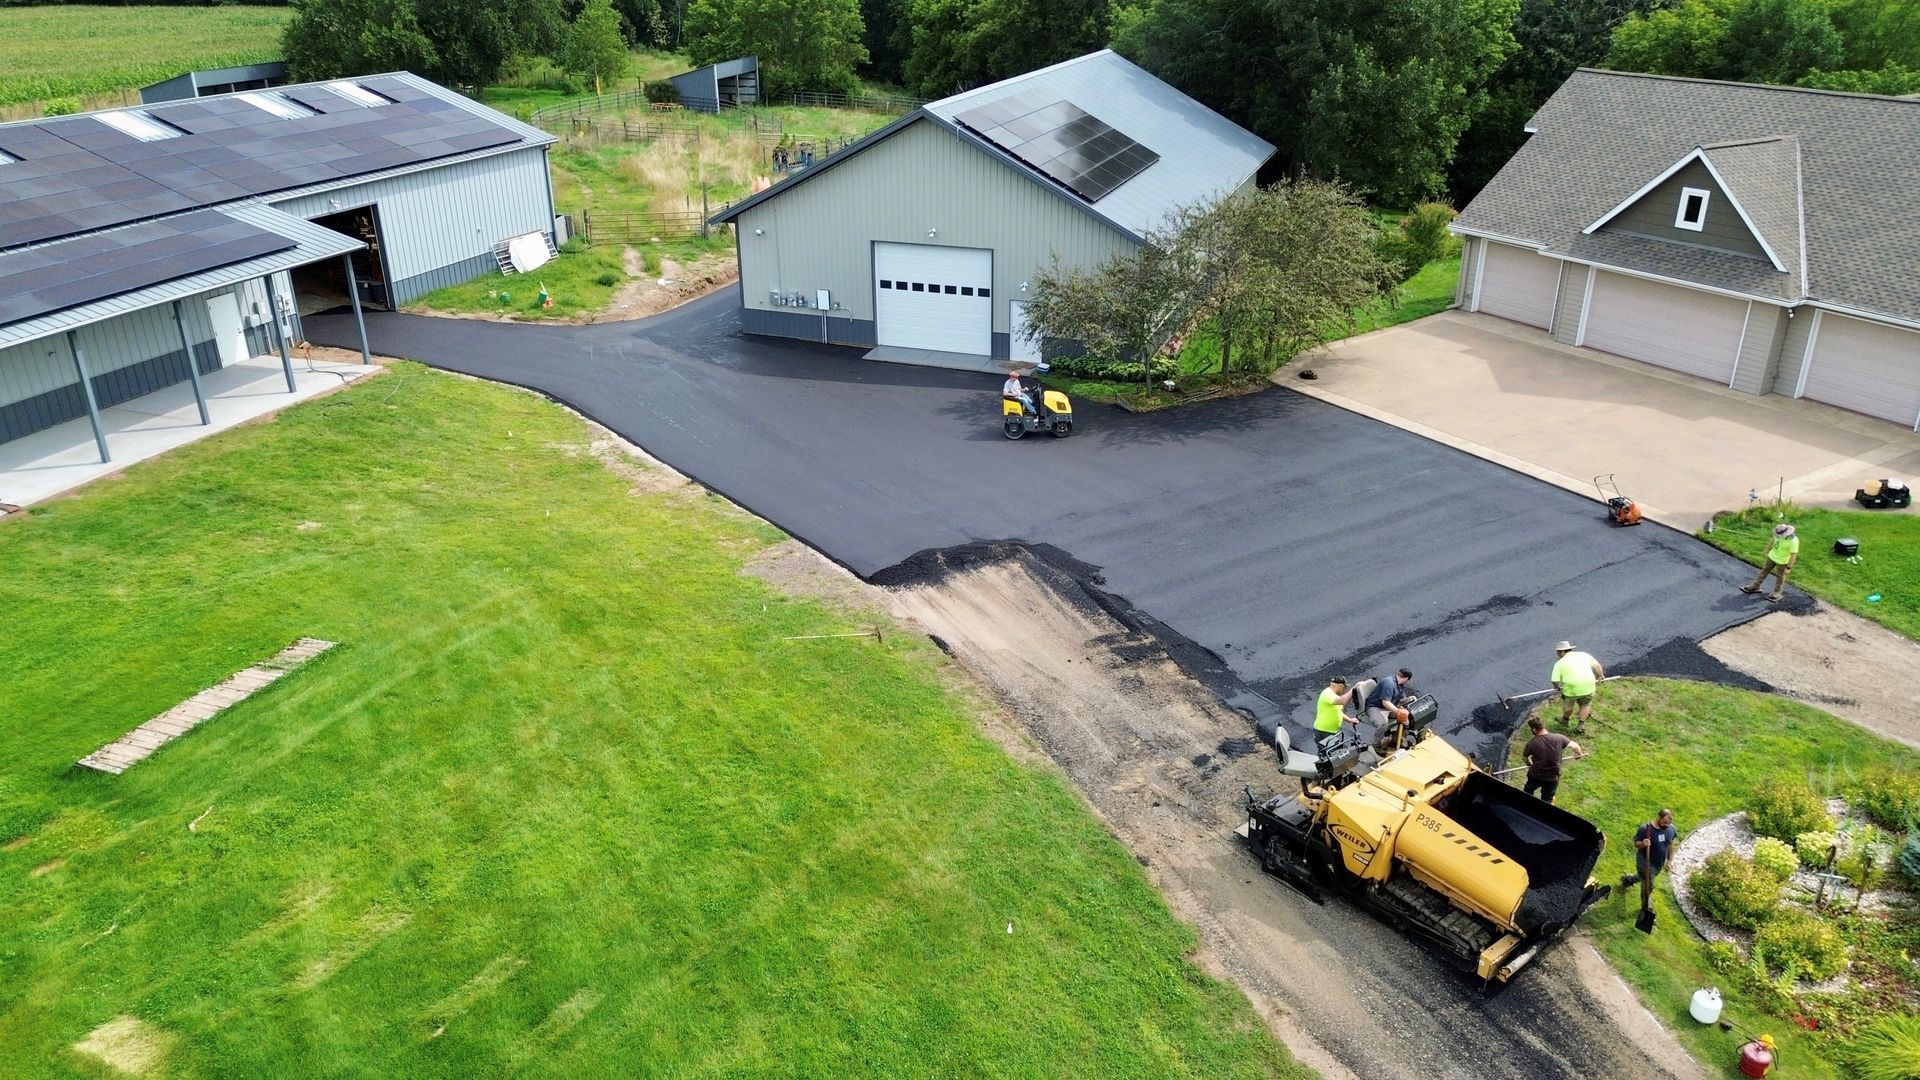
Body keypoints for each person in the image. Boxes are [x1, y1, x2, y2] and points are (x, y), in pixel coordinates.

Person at [1621, 809, 1678, 914]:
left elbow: (1670, 844)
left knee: (1645, 878)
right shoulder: (1646, 829)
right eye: (1664, 822)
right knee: (1648, 887)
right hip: (1645, 862)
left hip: (1658, 864)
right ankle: (1647, 909)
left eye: (1669, 823)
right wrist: (1643, 843)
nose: (1666, 825)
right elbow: (1636, 844)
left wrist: (1670, 861)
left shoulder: (1671, 829)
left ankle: (1628, 880)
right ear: (1658, 817)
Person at [1521, 716, 1582, 805]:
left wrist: (1529, 764)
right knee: (1547, 799)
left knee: (1528, 791)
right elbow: (1575, 746)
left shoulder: (1532, 743)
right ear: (1543, 726)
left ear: (1534, 729)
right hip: (1552, 777)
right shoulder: (1559, 738)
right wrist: (1578, 754)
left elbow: (1525, 757)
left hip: (1536, 775)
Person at [1550, 641, 1605, 733]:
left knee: (1568, 706)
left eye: (1558, 652)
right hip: (1589, 687)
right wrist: (1600, 676)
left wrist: (1556, 687)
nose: (1557, 654)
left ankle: (1565, 720)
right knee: (1585, 705)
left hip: (1571, 690)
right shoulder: (1584, 655)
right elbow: (1597, 666)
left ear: (1562, 652)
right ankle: (1581, 725)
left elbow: (1554, 680)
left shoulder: (1559, 663)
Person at [1741, 523, 1799, 602]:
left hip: (1782, 562)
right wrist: (1766, 549)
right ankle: (1755, 586)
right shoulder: (1778, 534)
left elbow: (1793, 555)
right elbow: (1772, 539)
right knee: (1764, 570)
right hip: (1772, 557)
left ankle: (1776, 593)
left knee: (1780, 576)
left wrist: (1789, 567)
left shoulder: (1793, 541)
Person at [1314, 675, 1360, 755]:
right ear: (1339, 686)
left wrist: (1349, 720)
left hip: (1331, 731)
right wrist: (1354, 688)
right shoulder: (1327, 694)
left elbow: (1337, 712)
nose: (1344, 690)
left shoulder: (1333, 695)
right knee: (1327, 755)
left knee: (1333, 754)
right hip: (1324, 732)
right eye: (1344, 687)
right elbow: (1342, 701)